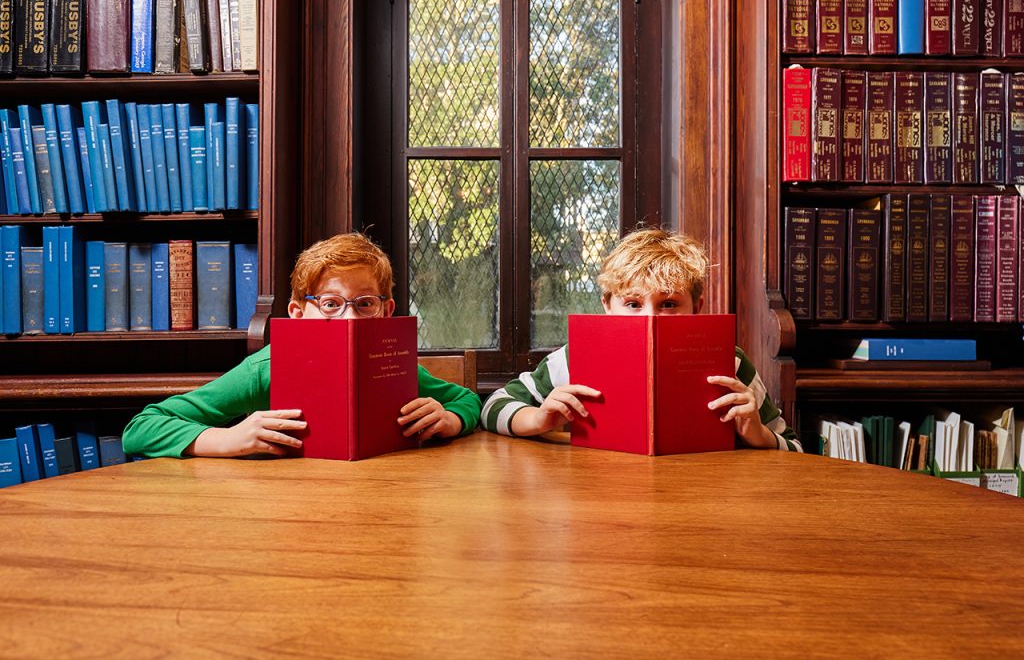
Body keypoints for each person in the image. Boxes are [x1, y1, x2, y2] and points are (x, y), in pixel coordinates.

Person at [123, 233, 482, 458]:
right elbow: (142, 428)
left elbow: (466, 400)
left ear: (387, 311)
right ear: (297, 312)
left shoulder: (392, 363)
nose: (349, 320)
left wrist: (449, 419)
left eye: (365, 304)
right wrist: (228, 439)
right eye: (330, 304)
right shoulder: (268, 367)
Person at [480, 228, 802, 451]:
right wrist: (538, 418)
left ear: (697, 308)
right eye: (633, 304)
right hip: (606, 497)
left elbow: (794, 447)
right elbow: (493, 407)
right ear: (607, 305)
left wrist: (758, 434)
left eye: (669, 304)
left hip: (702, 501)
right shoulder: (575, 358)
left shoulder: (730, 363)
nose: (649, 318)